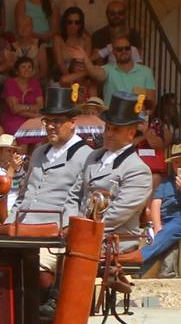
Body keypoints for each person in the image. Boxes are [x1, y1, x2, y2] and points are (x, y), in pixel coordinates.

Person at [60, 92, 155, 262]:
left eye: (116, 129)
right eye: (107, 128)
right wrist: (69, 224)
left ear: (131, 133)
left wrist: (84, 232)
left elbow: (118, 213)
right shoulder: (93, 157)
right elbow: (74, 195)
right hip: (80, 237)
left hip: (111, 242)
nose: (109, 134)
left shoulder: (138, 169)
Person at [10, 86, 88, 225]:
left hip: (55, 235)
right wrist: (8, 224)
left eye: (57, 121)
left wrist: (65, 231)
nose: (50, 126)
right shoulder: (39, 152)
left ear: (73, 122)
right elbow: (23, 195)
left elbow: (83, 202)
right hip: (21, 228)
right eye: (47, 121)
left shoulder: (87, 156)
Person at [141, 143, 181, 274]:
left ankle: (138, 259)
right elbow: (156, 203)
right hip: (164, 220)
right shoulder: (166, 181)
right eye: (175, 162)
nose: (179, 165)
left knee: (172, 229)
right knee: (159, 235)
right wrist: (157, 227)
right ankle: (139, 269)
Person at [85, 29, 156, 106]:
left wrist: (142, 96)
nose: (124, 51)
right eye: (119, 49)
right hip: (112, 117)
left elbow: (152, 101)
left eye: (127, 48)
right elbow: (95, 74)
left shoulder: (146, 71)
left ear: (131, 50)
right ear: (113, 52)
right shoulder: (108, 69)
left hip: (138, 117)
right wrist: (84, 58)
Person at [1, 55, 42, 137]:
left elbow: (40, 105)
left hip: (32, 118)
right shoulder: (10, 83)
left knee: (42, 133)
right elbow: (14, 109)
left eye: (29, 67)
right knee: (22, 135)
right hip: (13, 119)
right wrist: (34, 114)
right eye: (23, 67)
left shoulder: (34, 83)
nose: (27, 70)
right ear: (17, 71)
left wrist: (22, 107)